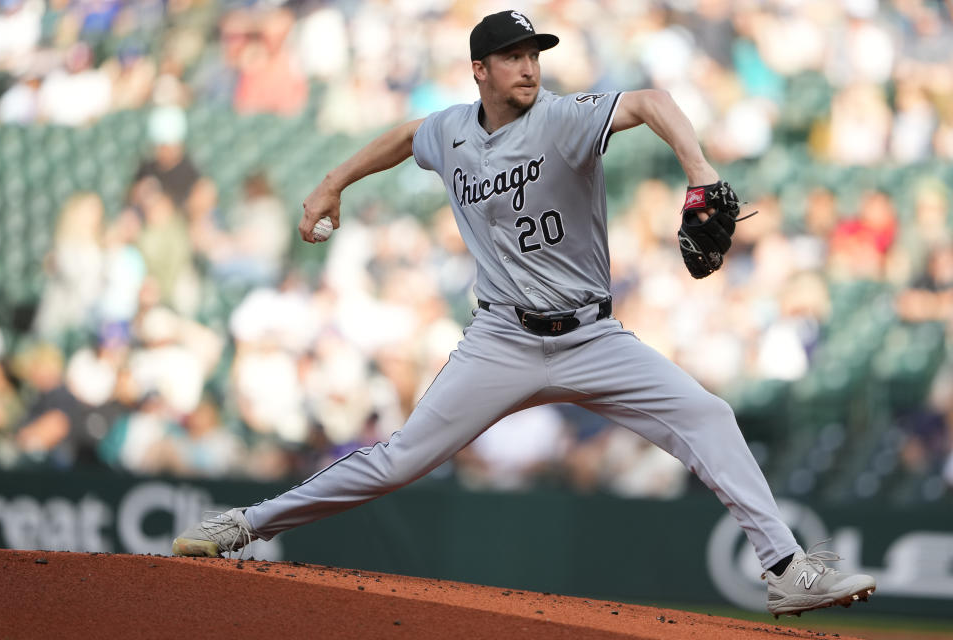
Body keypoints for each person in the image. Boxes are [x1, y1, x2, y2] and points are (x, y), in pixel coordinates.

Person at [173, 10, 875, 618]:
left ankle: (784, 571)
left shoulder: (564, 121)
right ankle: (244, 525)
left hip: (592, 335)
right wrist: (331, 183)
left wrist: (699, 171)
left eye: (534, 54)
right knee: (398, 461)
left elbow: (652, 101)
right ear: (478, 69)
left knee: (708, 416)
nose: (529, 67)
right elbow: (404, 136)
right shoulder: (451, 132)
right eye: (513, 56)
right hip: (503, 338)